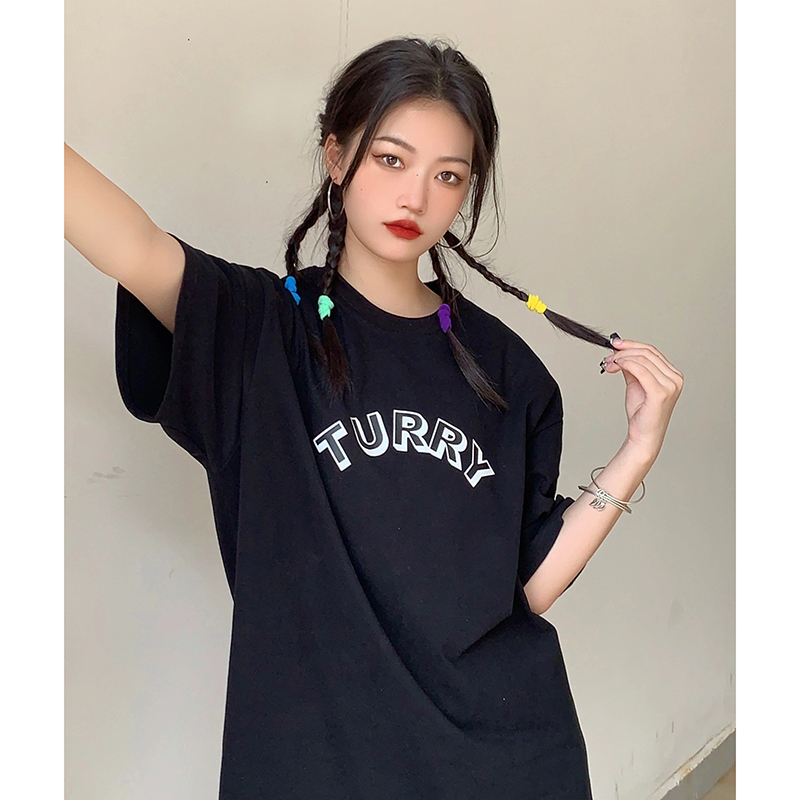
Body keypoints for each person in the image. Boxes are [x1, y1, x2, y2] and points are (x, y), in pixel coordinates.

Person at [65, 35, 683, 800]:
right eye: (391, 160)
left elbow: (525, 585)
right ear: (336, 156)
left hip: (501, 766)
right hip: (313, 766)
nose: (415, 198)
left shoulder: (508, 373)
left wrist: (638, 449)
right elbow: (131, 244)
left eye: (448, 175)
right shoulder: (261, 332)